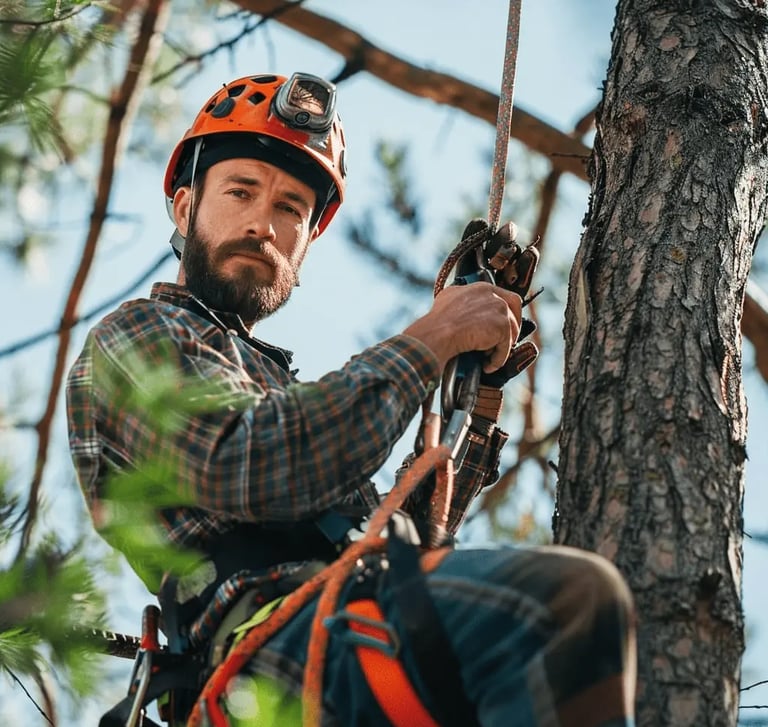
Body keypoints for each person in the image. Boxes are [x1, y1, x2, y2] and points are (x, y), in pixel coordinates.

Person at [66, 72, 636, 727]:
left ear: (307, 243)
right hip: (271, 657)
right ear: (186, 207)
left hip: (340, 632)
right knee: (567, 604)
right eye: (242, 191)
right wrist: (433, 337)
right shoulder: (138, 337)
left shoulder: (274, 390)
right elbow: (247, 462)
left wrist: (473, 392)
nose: (263, 224)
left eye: (290, 210)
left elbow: (408, 546)